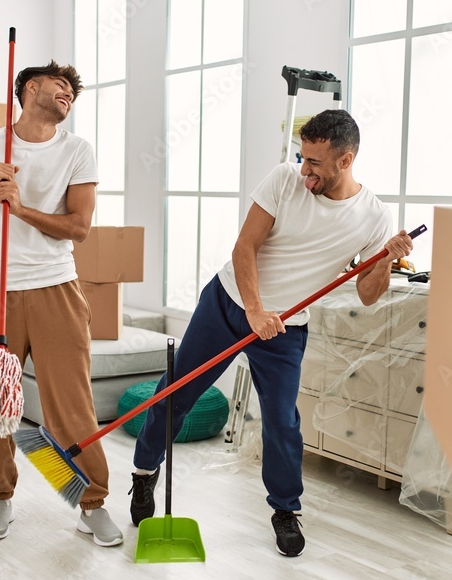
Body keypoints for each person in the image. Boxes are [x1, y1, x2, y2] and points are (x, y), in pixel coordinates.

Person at [128, 109, 413, 556]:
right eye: (303, 157)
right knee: (176, 394)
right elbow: (245, 246)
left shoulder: (373, 216)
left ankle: (285, 509)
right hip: (227, 305)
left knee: (282, 423)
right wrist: (256, 310)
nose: (305, 170)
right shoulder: (283, 179)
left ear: (346, 159)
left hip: (286, 329)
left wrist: (383, 260)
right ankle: (144, 474)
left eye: (315, 162)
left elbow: (368, 295)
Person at [0, 60, 122, 546]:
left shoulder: (77, 150)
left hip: (56, 286)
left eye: (73, 92)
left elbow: (80, 228)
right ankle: (0, 498)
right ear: (28, 88)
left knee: (70, 407)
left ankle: (89, 502)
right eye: (59, 85)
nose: (67, 94)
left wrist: (21, 209)